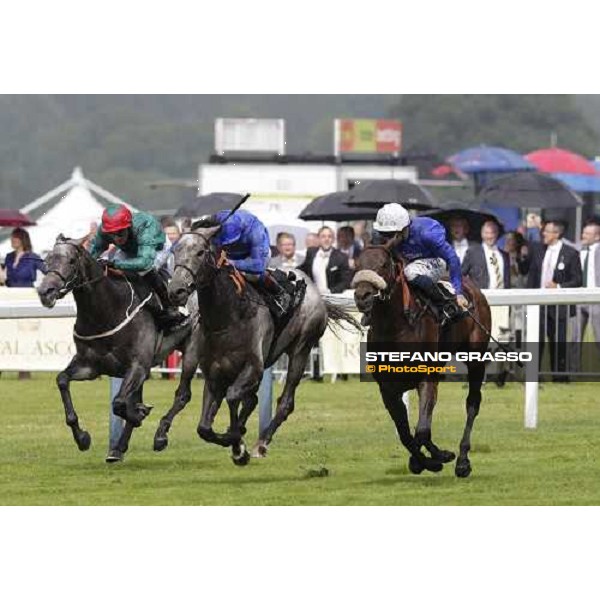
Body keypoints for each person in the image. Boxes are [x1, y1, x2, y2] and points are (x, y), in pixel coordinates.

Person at [89, 205, 186, 330]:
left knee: (144, 271)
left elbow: (144, 263)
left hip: (156, 248)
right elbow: (92, 254)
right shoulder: (104, 230)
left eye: (120, 232)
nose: (116, 238)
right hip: (130, 249)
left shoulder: (145, 226)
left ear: (129, 226)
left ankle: (170, 310)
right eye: (111, 234)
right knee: (114, 273)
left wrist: (114, 264)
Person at [370, 203, 468, 326]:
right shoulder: (388, 236)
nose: (385, 239)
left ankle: (444, 304)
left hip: (436, 261)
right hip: (410, 263)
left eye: (389, 234)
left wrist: (459, 293)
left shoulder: (427, 234)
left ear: (402, 229)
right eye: (383, 233)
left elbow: (452, 258)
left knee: (410, 272)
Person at [211, 209, 300, 319]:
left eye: (232, 241)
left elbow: (258, 266)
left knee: (253, 276)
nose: (230, 244)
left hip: (256, 255)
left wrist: (233, 263)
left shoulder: (256, 232)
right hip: (231, 253)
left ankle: (280, 293)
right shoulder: (216, 220)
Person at [527, 220, 582, 382]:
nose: (544, 233)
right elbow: (531, 277)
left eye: (547, 231)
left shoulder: (571, 253)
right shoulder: (538, 251)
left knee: (558, 341)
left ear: (557, 234)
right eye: (544, 231)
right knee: (536, 341)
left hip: (559, 306)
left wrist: (558, 286)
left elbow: (578, 280)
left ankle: (559, 377)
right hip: (538, 305)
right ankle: (533, 375)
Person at [299, 226, 353, 294]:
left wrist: (330, 291)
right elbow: (303, 269)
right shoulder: (311, 252)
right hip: (313, 297)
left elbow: (345, 281)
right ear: (318, 239)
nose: (326, 239)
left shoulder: (341, 257)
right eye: (323, 236)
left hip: (331, 297)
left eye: (329, 236)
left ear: (333, 239)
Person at [572, 221, 600, 351]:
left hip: (596, 299)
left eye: (588, 234)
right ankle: (573, 369)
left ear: (597, 237)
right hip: (579, 298)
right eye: (583, 232)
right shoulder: (578, 250)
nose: (584, 235)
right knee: (575, 340)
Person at [462, 221, 511, 290]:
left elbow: (507, 280)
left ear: (497, 234)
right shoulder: (473, 252)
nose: (489, 236)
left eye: (492, 233)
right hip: (481, 297)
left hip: (503, 296)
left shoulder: (504, 255)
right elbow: (461, 274)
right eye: (486, 233)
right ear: (482, 234)